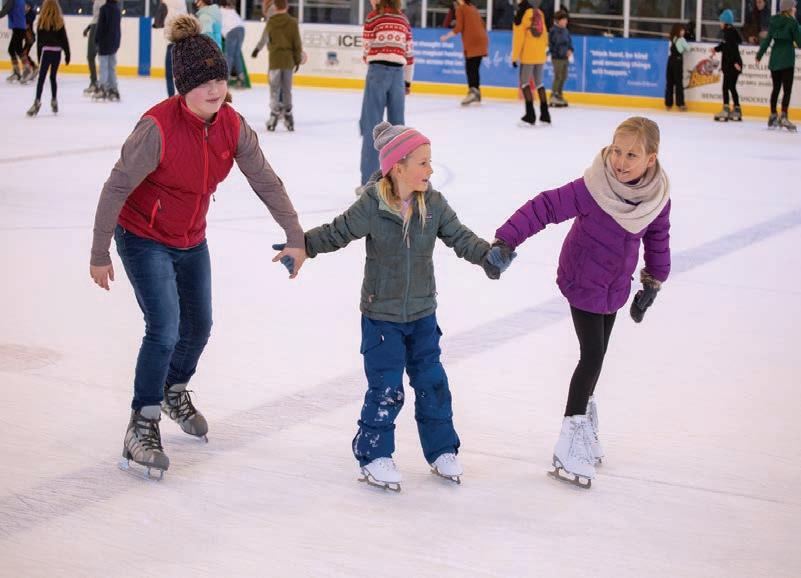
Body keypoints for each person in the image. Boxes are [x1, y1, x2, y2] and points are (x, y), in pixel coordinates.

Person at [89, 14, 306, 478]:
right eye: (204, 82)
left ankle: (172, 390)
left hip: (191, 237)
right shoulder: (157, 129)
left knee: (199, 326)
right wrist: (99, 252)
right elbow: (116, 188)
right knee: (164, 328)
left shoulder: (231, 125)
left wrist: (295, 235)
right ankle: (141, 422)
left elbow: (265, 180)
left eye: (220, 79)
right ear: (182, 86)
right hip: (142, 236)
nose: (215, 89)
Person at [298, 121, 512, 491]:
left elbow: (460, 237)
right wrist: (302, 246)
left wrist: (486, 256)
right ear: (398, 167)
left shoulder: (434, 204)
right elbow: (337, 232)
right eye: (423, 163)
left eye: (430, 162)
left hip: (423, 314)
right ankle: (374, 454)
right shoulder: (372, 206)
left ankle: (442, 451)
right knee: (386, 388)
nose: (431, 170)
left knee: (433, 384)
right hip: (381, 318)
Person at [493, 117, 671, 488]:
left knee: (599, 354)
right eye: (617, 151)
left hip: (615, 285)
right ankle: (570, 437)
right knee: (591, 355)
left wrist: (652, 282)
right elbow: (545, 207)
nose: (620, 161)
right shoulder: (593, 187)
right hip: (583, 277)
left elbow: (657, 238)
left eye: (631, 155)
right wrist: (506, 240)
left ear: (650, 159)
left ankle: (584, 422)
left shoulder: (656, 198)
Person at [358, 0, 414, 187]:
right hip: (398, 75)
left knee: (372, 127)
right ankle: (399, 182)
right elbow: (409, 55)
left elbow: (366, 48)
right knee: (398, 130)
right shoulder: (403, 19)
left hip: (377, 72)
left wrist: (372, 56)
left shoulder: (373, 17)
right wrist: (407, 82)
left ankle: (369, 182)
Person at [251, 0, 302, 132]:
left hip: (275, 61)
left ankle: (274, 115)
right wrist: (297, 60)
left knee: (274, 89)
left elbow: (264, 38)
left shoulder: (271, 22)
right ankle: (288, 116)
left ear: (275, 7)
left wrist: (257, 49)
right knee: (287, 89)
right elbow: (297, 44)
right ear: (287, 6)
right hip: (288, 61)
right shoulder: (293, 23)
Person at [756, 0, 801, 132]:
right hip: (787, 59)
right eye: (794, 7)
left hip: (775, 59)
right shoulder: (792, 23)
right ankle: (784, 116)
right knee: (787, 90)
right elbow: (799, 42)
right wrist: (797, 25)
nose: (795, 9)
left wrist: (759, 55)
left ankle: (773, 114)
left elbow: (767, 39)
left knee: (776, 88)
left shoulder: (774, 20)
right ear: (789, 8)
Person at [439, 0, 488, 106]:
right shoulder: (472, 8)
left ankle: (473, 93)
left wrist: (446, 37)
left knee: (470, 68)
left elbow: (459, 28)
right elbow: (483, 24)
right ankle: (477, 93)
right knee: (474, 68)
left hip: (473, 43)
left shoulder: (461, 9)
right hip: (482, 40)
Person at [26, 0, 69, 117]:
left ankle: (37, 101)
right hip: (57, 53)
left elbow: (39, 42)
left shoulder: (42, 22)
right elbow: (64, 40)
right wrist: (67, 55)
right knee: (53, 77)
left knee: (41, 79)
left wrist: (39, 56)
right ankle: (54, 99)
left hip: (47, 52)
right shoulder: (59, 22)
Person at [511, 0, 550, 125]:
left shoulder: (521, 13)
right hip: (540, 54)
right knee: (539, 83)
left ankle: (530, 115)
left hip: (528, 54)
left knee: (524, 83)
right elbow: (545, 34)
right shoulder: (539, 12)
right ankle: (545, 115)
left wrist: (514, 57)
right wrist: (543, 49)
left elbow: (519, 38)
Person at [711, 9, 743, 122]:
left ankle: (726, 109)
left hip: (732, 65)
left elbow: (732, 49)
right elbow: (725, 46)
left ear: (725, 22)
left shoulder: (729, 33)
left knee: (726, 87)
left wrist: (735, 63)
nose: (720, 24)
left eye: (721, 21)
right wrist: (716, 49)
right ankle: (737, 109)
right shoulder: (730, 32)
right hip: (732, 64)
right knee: (731, 87)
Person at [152, 0, 188, 97]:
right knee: (182, 74)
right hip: (183, 43)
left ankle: (171, 97)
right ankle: (183, 97)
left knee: (169, 74)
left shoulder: (165, 3)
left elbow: (157, 22)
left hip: (171, 43)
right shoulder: (183, 3)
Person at [94, 0, 121, 101]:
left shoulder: (104, 9)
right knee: (111, 66)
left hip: (104, 42)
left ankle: (103, 88)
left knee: (104, 66)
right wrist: (117, 41)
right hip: (114, 42)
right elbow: (117, 28)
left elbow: (100, 27)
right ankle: (113, 88)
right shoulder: (117, 10)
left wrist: (96, 39)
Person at [1, 0, 34, 82]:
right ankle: (17, 73)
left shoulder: (12, 1)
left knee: (18, 49)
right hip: (19, 26)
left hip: (18, 26)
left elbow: (4, 11)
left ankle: (28, 69)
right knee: (11, 50)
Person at [548, 9, 572, 107]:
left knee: (564, 76)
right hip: (557, 58)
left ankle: (559, 94)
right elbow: (552, 44)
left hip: (565, 58)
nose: (566, 21)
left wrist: (570, 49)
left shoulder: (566, 31)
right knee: (558, 76)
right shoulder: (553, 31)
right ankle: (553, 95)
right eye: (564, 20)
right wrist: (558, 52)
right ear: (558, 20)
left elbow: (569, 42)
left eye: (566, 19)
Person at [221, 0, 246, 87]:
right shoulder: (232, 11)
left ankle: (226, 80)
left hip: (232, 30)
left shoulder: (221, 11)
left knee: (229, 56)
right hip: (241, 29)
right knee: (236, 55)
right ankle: (241, 78)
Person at [664, 23, 688, 111]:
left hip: (670, 61)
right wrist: (684, 46)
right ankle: (680, 104)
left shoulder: (672, 39)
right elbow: (682, 50)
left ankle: (668, 104)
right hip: (677, 61)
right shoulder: (680, 39)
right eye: (682, 30)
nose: (683, 32)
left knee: (669, 83)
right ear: (678, 31)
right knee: (678, 83)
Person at [81, 0, 104, 95]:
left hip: (97, 28)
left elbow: (101, 18)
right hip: (96, 27)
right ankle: (97, 83)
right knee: (97, 57)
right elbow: (97, 17)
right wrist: (89, 27)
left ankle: (96, 83)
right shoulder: (98, 2)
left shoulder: (100, 1)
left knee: (92, 56)